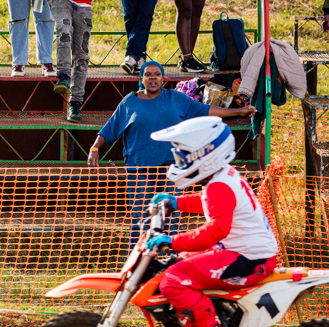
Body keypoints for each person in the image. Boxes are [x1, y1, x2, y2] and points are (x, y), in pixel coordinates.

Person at [145, 116, 278, 327]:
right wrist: (176, 203)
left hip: (247, 258)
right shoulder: (222, 177)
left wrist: (172, 241)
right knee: (181, 263)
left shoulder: (219, 184)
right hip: (245, 252)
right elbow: (210, 203)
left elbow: (215, 230)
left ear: (205, 154)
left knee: (173, 281)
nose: (180, 162)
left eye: (184, 157)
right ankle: (226, 323)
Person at [88, 61, 255, 236]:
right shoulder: (130, 102)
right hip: (139, 168)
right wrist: (95, 148)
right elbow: (109, 129)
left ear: (162, 79)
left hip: (171, 168)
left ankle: (169, 253)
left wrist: (240, 111)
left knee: (170, 213)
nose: (153, 78)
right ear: (141, 79)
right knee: (141, 214)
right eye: (148, 74)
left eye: (157, 74)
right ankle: (138, 255)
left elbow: (205, 110)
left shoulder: (176, 99)